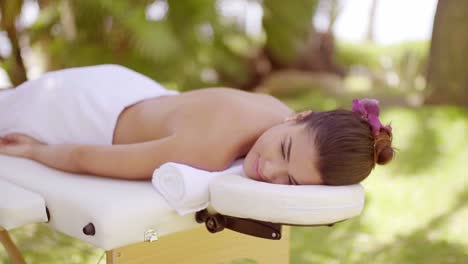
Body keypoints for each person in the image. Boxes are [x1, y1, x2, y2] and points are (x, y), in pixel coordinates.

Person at [0, 64, 394, 185]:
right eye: (284, 151)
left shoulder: (274, 109)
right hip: (84, 109)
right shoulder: (206, 151)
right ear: (299, 116)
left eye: (289, 181)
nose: (268, 169)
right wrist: (35, 150)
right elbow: (89, 157)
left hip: (131, 85)